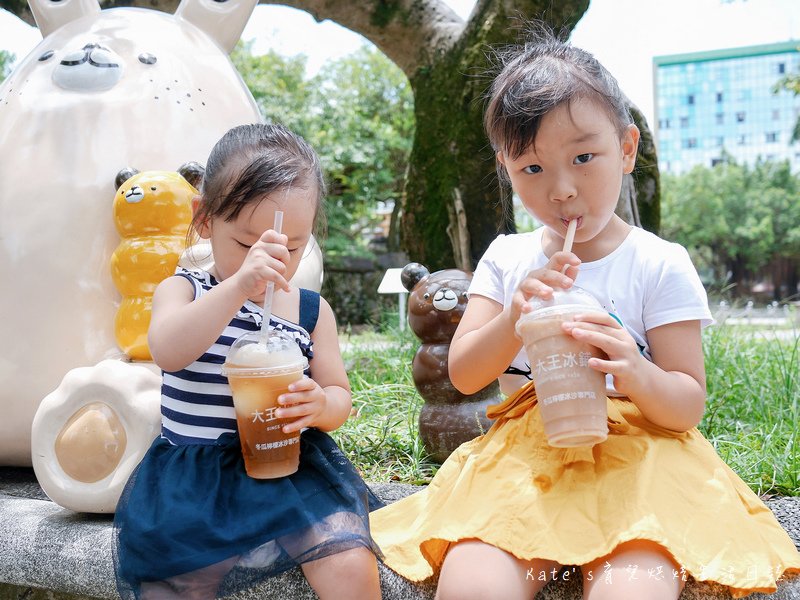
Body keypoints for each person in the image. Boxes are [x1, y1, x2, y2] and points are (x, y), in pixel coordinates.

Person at [369, 24, 800, 600]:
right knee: (475, 585)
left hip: (644, 457)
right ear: (506, 167)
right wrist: (514, 315)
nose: (562, 189)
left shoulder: (658, 263)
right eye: (533, 169)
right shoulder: (509, 256)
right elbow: (466, 375)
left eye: (584, 157)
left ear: (626, 149)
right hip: (528, 455)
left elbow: (687, 404)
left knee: (632, 587)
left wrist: (635, 368)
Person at [113, 123, 383, 600]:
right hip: (195, 481)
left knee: (348, 565)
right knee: (174, 583)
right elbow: (169, 352)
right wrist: (238, 288)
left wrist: (320, 405)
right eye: (245, 245)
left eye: (291, 248)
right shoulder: (185, 289)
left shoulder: (309, 311)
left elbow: (340, 396)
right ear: (204, 219)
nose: (268, 262)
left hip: (291, 473)